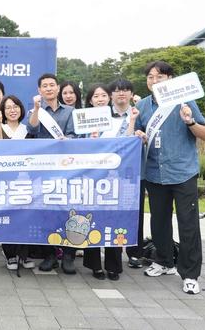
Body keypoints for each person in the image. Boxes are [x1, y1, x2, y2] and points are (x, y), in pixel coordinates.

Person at [134, 61, 205, 295]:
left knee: (188, 224)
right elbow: (137, 133)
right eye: (150, 77)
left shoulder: (185, 101)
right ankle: (164, 261)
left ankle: (190, 274)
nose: (154, 81)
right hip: (154, 173)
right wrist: (139, 134)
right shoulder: (142, 106)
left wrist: (189, 121)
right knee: (158, 222)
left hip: (182, 172)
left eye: (159, 77)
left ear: (170, 79)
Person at [27, 73, 76, 274]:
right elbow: (32, 129)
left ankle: (69, 255)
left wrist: (67, 139)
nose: (48, 88)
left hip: (66, 169)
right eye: (44, 86)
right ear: (39, 90)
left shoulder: (70, 111)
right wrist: (37, 109)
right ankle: (49, 255)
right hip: (44, 169)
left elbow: (74, 135)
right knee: (46, 212)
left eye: (51, 85)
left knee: (68, 211)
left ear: (58, 88)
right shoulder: (36, 111)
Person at [80, 84, 124, 281]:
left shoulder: (118, 121)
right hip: (90, 177)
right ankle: (95, 265)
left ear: (109, 98)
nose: (100, 99)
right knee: (92, 219)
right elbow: (77, 147)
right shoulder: (82, 121)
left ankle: (113, 265)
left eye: (103, 95)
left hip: (114, 177)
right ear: (90, 100)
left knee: (113, 220)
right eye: (96, 96)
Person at [0, 95, 35, 272]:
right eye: (8, 107)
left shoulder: (28, 130)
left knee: (25, 216)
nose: (12, 110)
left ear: (21, 109)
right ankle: (10, 254)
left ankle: (24, 254)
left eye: (15, 106)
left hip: (24, 180)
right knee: (8, 216)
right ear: (2, 111)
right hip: (5, 180)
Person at [108, 79, 145, 268]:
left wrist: (143, 136)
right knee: (110, 211)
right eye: (117, 90)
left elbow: (147, 134)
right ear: (111, 95)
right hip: (108, 173)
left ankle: (135, 253)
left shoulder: (140, 113)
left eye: (125, 90)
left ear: (131, 93)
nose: (121, 93)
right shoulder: (103, 115)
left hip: (133, 172)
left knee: (134, 211)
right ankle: (112, 254)